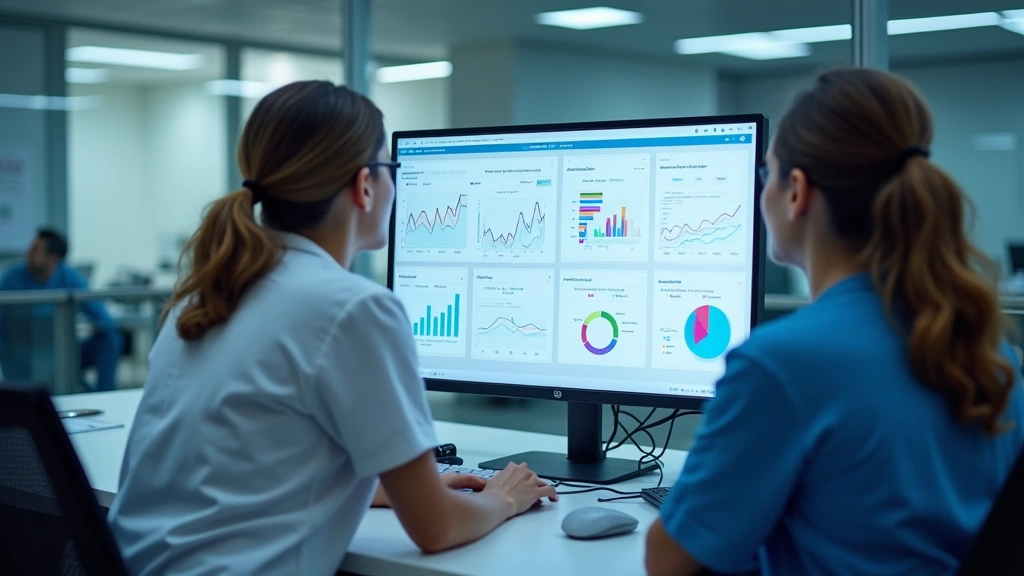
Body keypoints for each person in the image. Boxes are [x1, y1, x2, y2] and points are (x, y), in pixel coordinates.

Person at [108, 81, 557, 575]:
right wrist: (504, 499)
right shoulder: (354, 309)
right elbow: (437, 529)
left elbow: (238, 470)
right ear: (364, 186)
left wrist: (391, 489)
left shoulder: (206, 295)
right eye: (391, 169)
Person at [645, 68, 1024, 576]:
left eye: (767, 173)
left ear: (796, 191)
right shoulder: (989, 350)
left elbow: (669, 562)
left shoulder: (782, 362)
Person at [0, 228, 123, 390]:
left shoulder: (68, 276)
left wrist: (96, 326)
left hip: (62, 355)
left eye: (35, 250)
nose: (28, 254)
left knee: (111, 339)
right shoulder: (11, 278)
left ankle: (106, 396)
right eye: (30, 248)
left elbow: (103, 318)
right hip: (22, 360)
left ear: (53, 258)